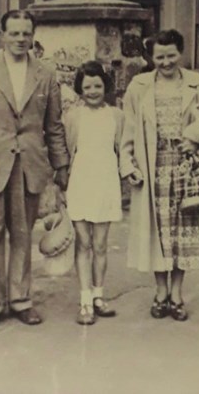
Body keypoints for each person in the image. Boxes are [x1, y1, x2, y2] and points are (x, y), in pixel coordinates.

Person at [0, 10, 70, 328]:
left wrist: (61, 165)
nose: (21, 39)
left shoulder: (46, 73)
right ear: (3, 36)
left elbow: (55, 125)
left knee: (22, 234)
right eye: (15, 33)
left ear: (33, 35)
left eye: (26, 33)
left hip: (30, 165)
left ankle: (21, 300)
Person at [120, 29, 199, 321]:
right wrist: (128, 165)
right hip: (152, 168)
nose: (165, 62)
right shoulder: (139, 86)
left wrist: (196, 138)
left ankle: (177, 293)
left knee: (183, 235)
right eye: (159, 57)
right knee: (157, 232)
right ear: (151, 57)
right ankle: (160, 291)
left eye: (171, 55)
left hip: (187, 169)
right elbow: (127, 130)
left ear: (182, 53)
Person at [63, 61, 124, 325]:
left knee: (100, 244)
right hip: (80, 181)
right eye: (87, 86)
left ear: (105, 86)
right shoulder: (72, 116)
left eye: (97, 85)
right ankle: (85, 300)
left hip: (106, 182)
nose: (92, 91)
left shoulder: (117, 116)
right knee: (83, 243)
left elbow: (123, 150)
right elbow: (65, 151)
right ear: (80, 88)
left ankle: (99, 296)